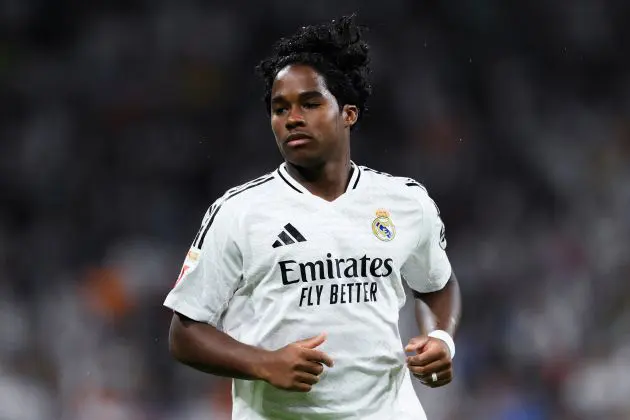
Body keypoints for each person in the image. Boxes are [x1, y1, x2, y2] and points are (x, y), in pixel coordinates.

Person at [164, 14, 461, 420]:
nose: (292, 118)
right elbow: (185, 335)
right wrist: (263, 363)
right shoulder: (239, 212)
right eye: (279, 108)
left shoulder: (404, 202)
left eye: (310, 103)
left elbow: (437, 284)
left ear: (349, 113)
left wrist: (440, 337)